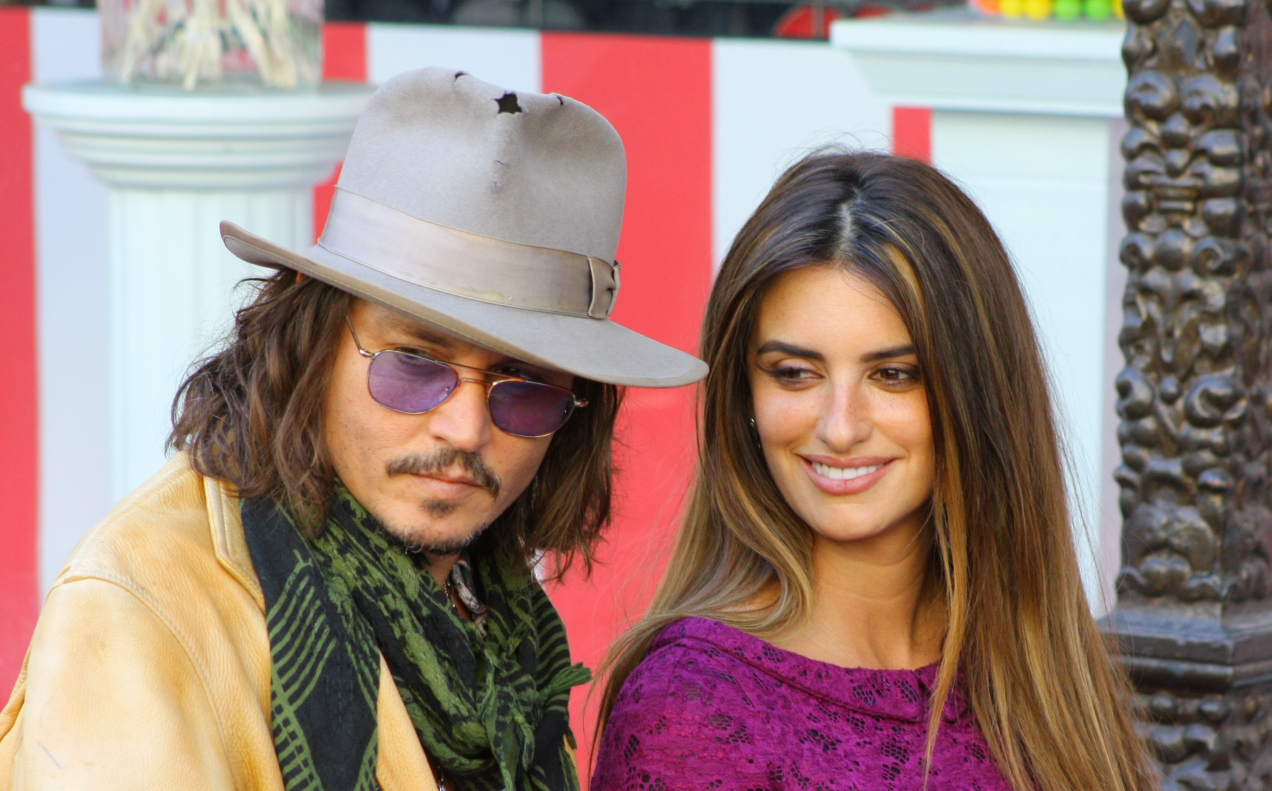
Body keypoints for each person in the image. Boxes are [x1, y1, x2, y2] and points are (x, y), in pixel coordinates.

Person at [0, 67, 705, 790]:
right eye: (414, 365)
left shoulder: (490, 601)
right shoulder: (134, 612)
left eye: (524, 390)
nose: (465, 430)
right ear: (314, 339)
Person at [590, 151, 1155, 791]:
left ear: (975, 396)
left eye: (892, 374)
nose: (840, 427)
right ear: (744, 394)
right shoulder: (691, 708)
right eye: (794, 373)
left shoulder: (1042, 676)